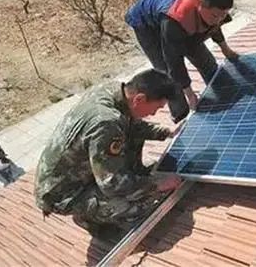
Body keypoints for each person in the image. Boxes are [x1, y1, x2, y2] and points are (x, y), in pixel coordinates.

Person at [34, 69, 183, 235]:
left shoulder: (113, 90)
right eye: (156, 108)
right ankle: (88, 217)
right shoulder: (106, 123)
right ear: (139, 99)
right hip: (63, 193)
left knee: (131, 135)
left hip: (77, 171)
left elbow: (133, 125)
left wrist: (166, 132)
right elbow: (112, 184)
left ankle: (102, 198)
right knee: (140, 204)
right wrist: (157, 185)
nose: (153, 114)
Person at [125, 0, 239, 122]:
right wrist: (190, 94)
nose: (218, 20)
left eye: (223, 15)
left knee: (205, 59)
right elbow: (174, 62)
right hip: (146, 22)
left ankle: (222, 90)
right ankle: (180, 113)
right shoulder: (175, 20)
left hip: (173, 8)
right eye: (215, 16)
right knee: (166, 74)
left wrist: (226, 50)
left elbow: (214, 28)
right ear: (200, 4)